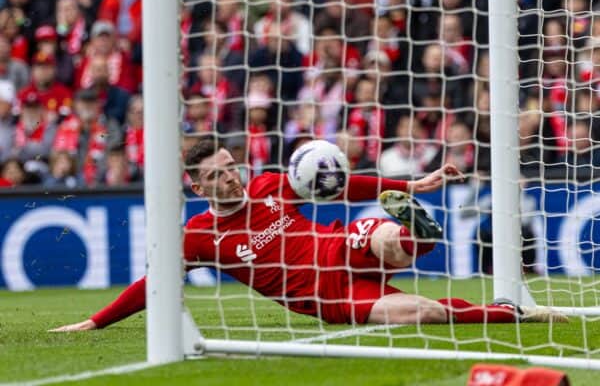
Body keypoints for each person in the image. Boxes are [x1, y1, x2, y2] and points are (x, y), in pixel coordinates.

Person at [50, 139, 566, 332]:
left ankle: (412, 232)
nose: (232, 178)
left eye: (233, 167)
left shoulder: (274, 185)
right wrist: (95, 322)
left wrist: (407, 184)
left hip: (345, 245)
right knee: (419, 314)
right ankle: (513, 312)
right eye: (219, 175)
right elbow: (153, 283)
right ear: (197, 184)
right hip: (328, 297)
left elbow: (342, 184)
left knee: (384, 234)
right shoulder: (198, 237)